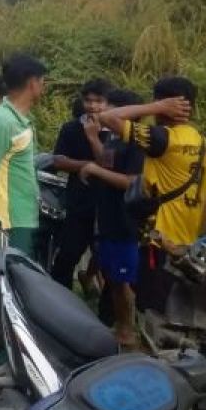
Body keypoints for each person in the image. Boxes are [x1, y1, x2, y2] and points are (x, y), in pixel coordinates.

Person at [96, 77, 206, 314]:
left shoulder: (162, 139)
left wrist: (156, 108)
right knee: (176, 310)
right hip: (187, 246)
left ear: (167, 103)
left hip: (158, 244)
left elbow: (108, 118)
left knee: (152, 311)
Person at [0, 54, 48, 298]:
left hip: (22, 217)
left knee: (15, 290)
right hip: (6, 220)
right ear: (33, 83)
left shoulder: (20, 120)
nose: (44, 86)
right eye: (43, 80)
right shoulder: (2, 121)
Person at [79, 88, 146, 347]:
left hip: (125, 222)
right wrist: (94, 139)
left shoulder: (137, 145)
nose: (104, 114)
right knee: (113, 279)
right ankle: (120, 326)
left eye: (111, 110)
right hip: (109, 220)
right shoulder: (115, 139)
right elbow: (105, 164)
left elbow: (130, 181)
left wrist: (94, 169)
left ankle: (127, 331)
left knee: (122, 280)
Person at [49, 79, 112, 290]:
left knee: (108, 260)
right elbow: (58, 160)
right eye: (88, 100)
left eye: (99, 101)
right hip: (79, 202)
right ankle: (60, 301)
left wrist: (94, 138)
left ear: (108, 103)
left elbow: (111, 167)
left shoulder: (117, 130)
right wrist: (87, 165)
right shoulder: (71, 128)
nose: (93, 105)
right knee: (67, 256)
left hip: (109, 206)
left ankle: (107, 316)